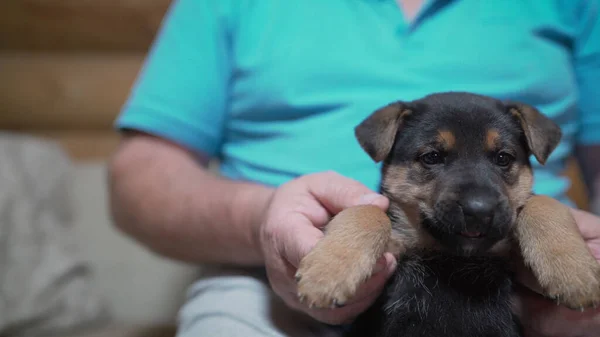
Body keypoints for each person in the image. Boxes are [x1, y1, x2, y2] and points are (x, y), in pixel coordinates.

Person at [107, 0, 600, 336]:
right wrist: (262, 221)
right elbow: (141, 175)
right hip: (269, 282)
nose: (476, 193)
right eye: (432, 158)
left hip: (538, 289)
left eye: (502, 160)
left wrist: (570, 250)